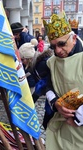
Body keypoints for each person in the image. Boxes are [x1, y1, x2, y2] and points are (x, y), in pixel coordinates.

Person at [43, 11, 83, 150]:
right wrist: (56, 104)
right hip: (61, 125)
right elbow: (48, 87)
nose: (58, 50)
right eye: (53, 46)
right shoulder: (51, 62)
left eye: (61, 44)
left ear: (74, 38)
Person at [19, 39, 54, 129]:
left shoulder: (41, 65)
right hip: (50, 96)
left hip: (54, 97)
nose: (22, 62)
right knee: (47, 124)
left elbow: (41, 85)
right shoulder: (36, 64)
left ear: (29, 58)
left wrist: (31, 101)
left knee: (49, 124)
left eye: (23, 59)